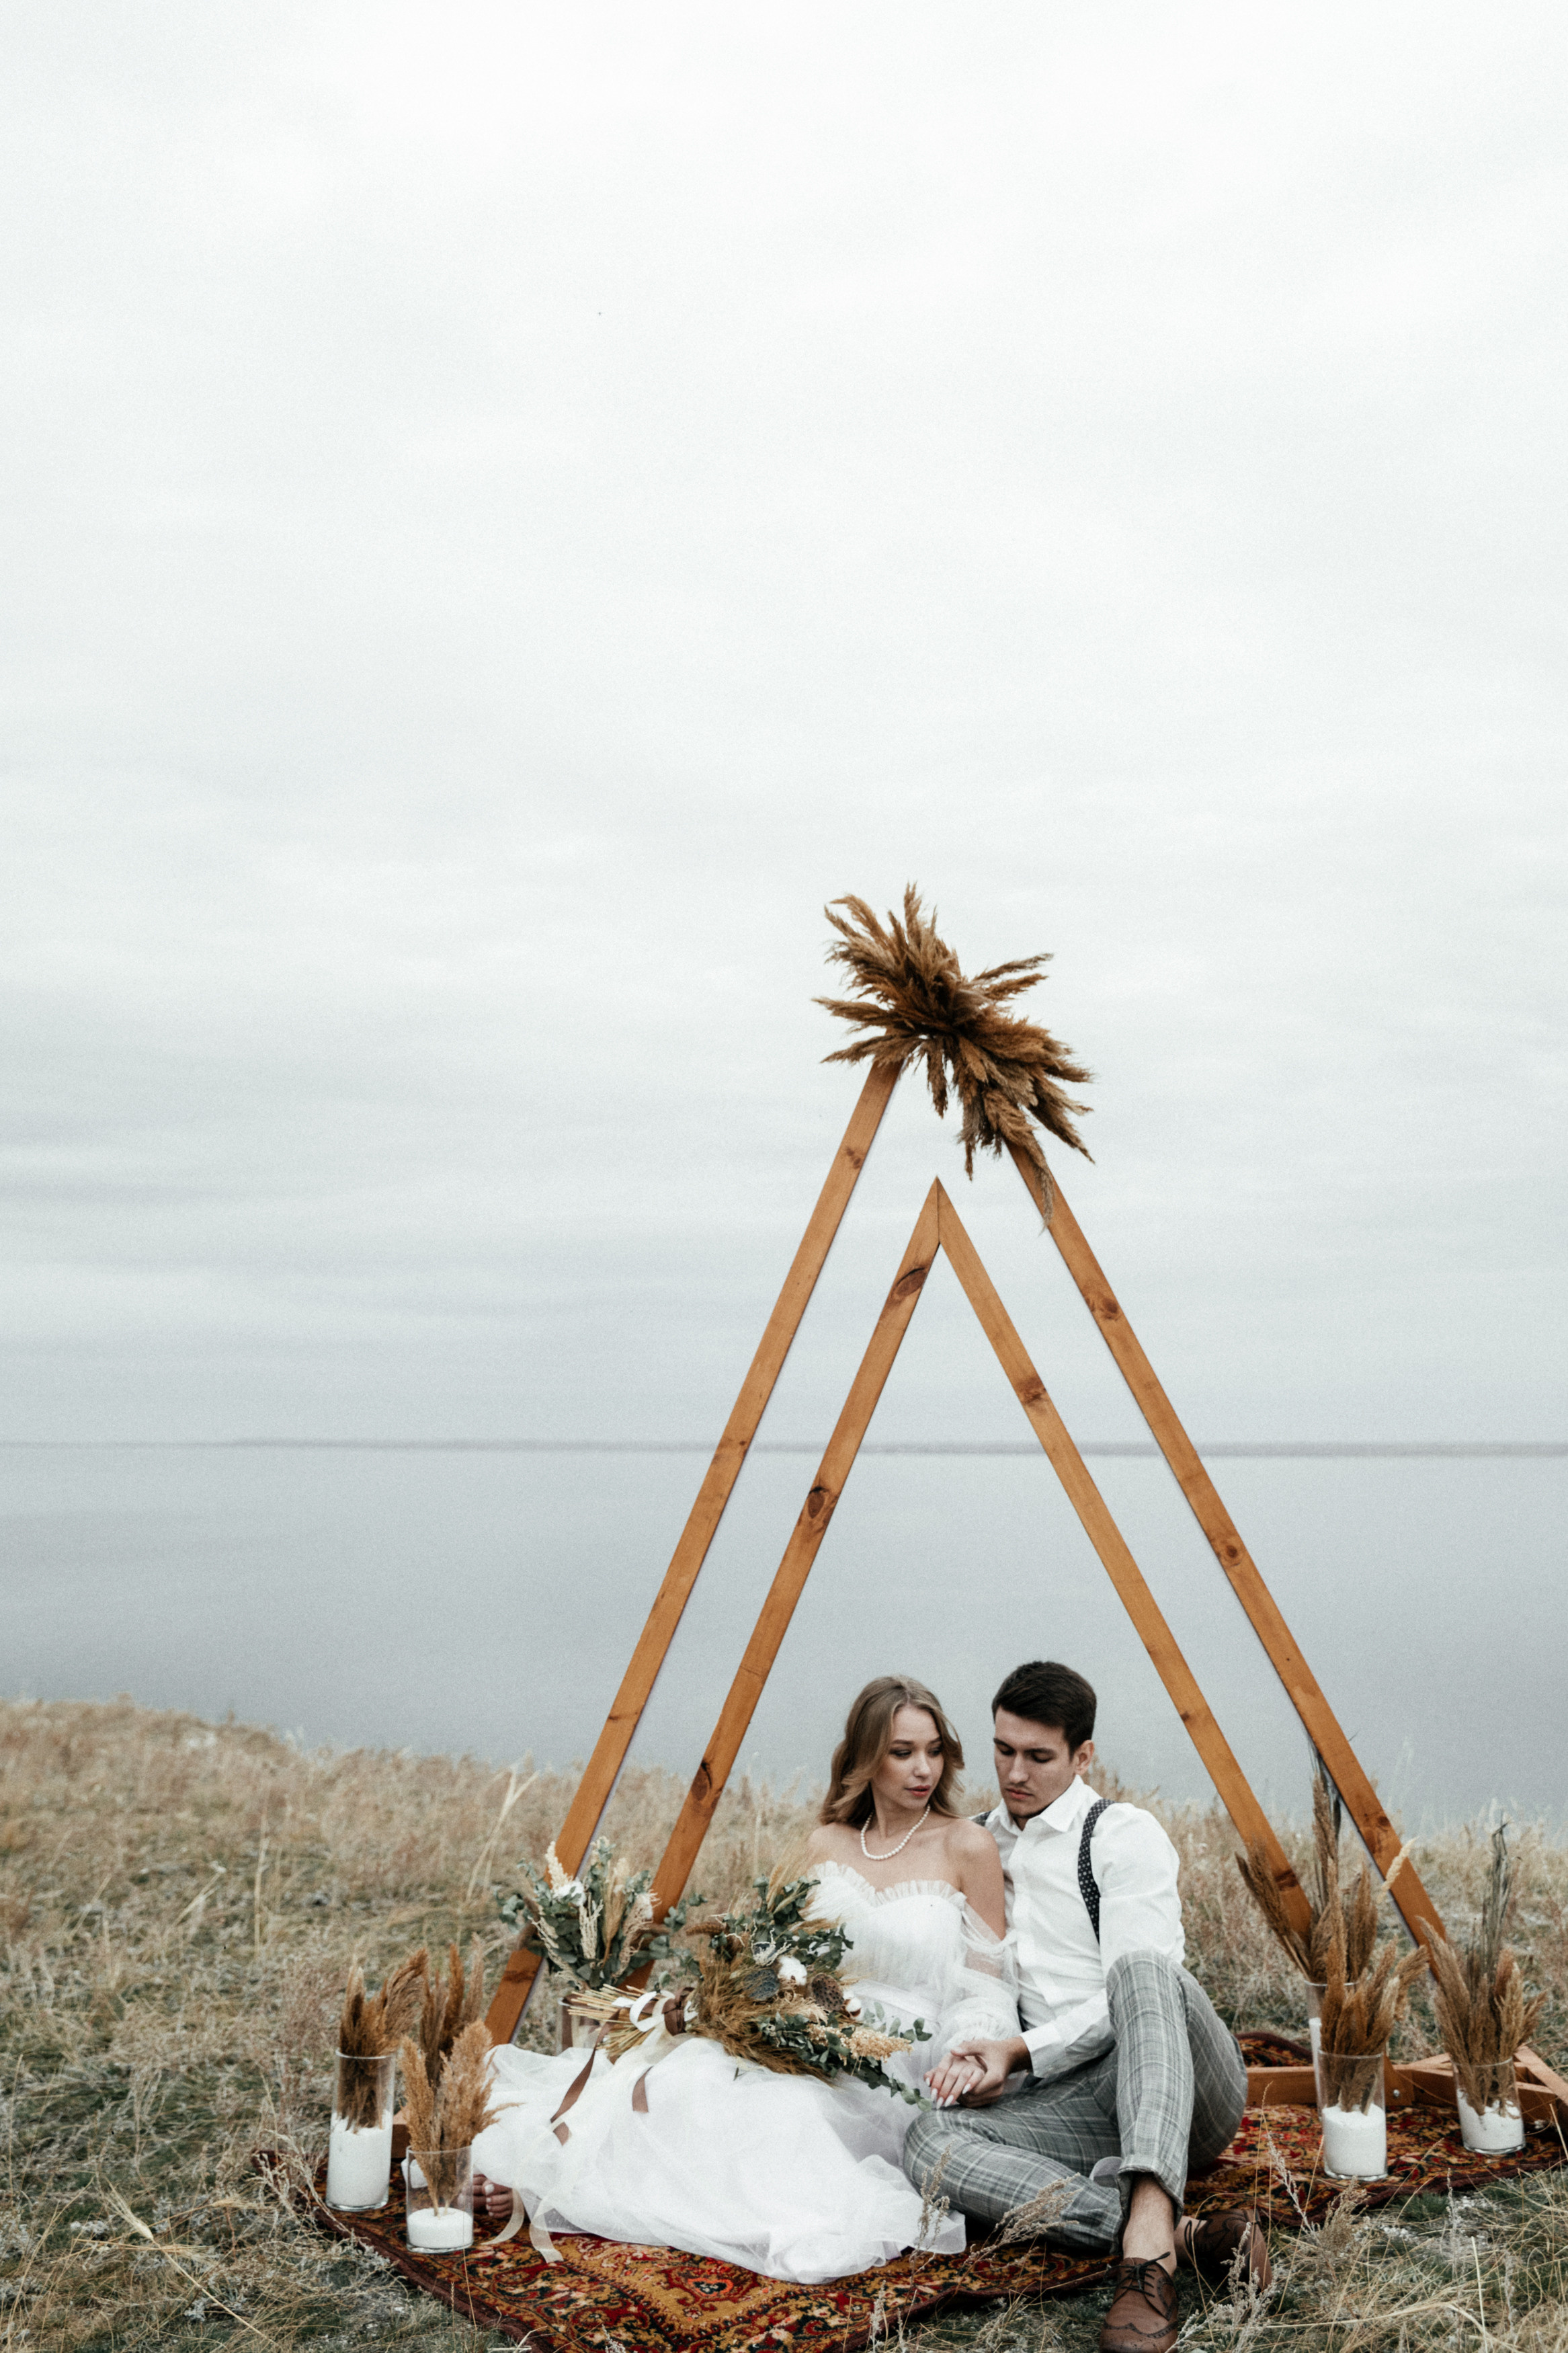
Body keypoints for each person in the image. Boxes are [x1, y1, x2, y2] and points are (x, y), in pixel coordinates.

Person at [468, 1675, 1019, 2283]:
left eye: (934, 1750)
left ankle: (578, 2197)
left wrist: (974, 2047)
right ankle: (556, 2183)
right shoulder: (824, 1843)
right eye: (902, 1752)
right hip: (808, 2021)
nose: (924, 1769)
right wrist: (750, 2002)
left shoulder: (967, 1845)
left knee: (787, 2114)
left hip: (900, 2051)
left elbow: (988, 1978)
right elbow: (780, 1952)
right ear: (865, 1758)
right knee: (687, 2078)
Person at [903, 1661, 1269, 2353]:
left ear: (1082, 1754)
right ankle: (1180, 2235)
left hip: (1177, 2079)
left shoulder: (1120, 1832)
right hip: (1074, 2102)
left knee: (1140, 1968)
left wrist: (1020, 2050)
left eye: (1038, 1756)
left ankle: (1146, 2262)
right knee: (927, 2140)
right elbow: (972, 1982)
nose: (1015, 1772)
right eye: (1002, 1749)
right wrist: (987, 2054)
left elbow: (1141, 1988)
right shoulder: (975, 1843)